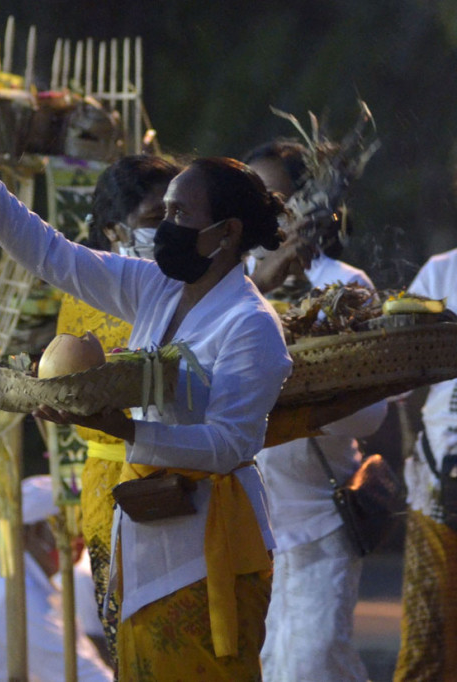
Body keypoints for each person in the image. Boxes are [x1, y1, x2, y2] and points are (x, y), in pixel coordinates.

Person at [0, 104, 293, 680]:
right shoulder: (160, 288)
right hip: (142, 529)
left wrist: (128, 431)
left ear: (228, 233)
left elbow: (228, 444)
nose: (164, 224)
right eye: (162, 209)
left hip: (212, 547)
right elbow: (54, 256)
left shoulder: (252, 324)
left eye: (178, 212)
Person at [245, 140, 387, 682]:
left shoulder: (344, 287)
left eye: (276, 197)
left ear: (308, 204)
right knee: (264, 667)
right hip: (244, 525)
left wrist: (301, 388)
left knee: (311, 665)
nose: (265, 209)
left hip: (319, 518)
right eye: (251, 195)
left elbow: (369, 417)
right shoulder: (227, 287)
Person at [54, 154, 180, 664]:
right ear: (113, 229)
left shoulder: (196, 284)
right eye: (156, 219)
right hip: (118, 488)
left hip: (198, 478)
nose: (172, 230)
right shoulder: (89, 292)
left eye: (178, 214)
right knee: (132, 637)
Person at [0, 475, 114, 681]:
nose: (80, 537)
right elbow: (85, 676)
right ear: (32, 533)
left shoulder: (37, 585)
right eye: (69, 526)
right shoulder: (17, 595)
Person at [393, 247, 457, 681]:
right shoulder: (443, 271)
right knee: (429, 643)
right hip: (438, 480)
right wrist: (414, 458)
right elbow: (400, 372)